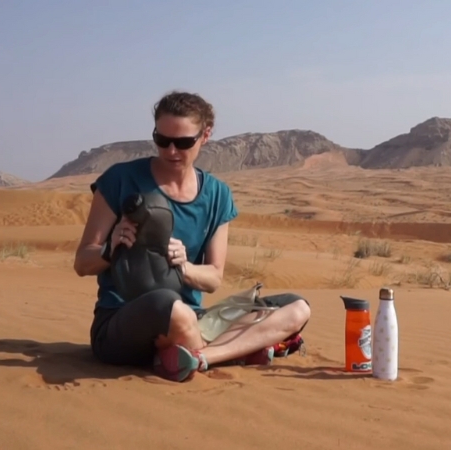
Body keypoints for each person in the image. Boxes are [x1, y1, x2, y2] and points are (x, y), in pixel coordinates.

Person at [73, 90, 312, 382]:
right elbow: (82, 263)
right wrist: (109, 249)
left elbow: (213, 278)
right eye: (162, 140)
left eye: (183, 142)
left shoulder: (217, 195)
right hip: (123, 325)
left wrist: (183, 267)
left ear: (206, 135)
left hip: (194, 319)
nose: (171, 150)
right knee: (170, 307)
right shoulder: (120, 179)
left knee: (296, 307)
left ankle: (200, 357)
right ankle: (238, 351)